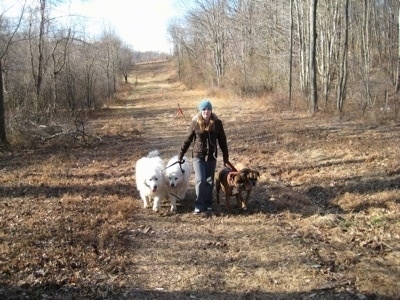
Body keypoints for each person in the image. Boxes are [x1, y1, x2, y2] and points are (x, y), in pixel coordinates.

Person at [178, 99, 230, 214]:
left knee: (209, 181)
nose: (206, 111)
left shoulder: (217, 123)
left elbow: (222, 141)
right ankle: (199, 204)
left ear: (211, 110)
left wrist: (226, 158)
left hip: (212, 157)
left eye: (209, 109)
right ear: (200, 111)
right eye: (204, 109)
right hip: (198, 156)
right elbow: (187, 140)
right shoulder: (195, 123)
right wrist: (180, 154)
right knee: (200, 180)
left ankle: (208, 203)